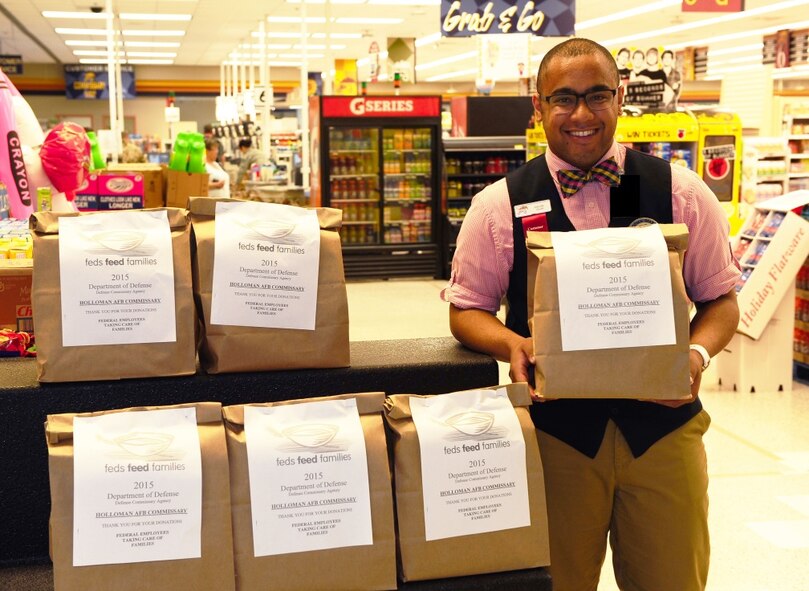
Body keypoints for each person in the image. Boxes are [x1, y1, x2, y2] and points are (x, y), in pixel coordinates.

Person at [442, 38, 740, 591]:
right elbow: (467, 310)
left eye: (597, 95)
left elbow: (720, 300)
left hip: (664, 433)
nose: (581, 114)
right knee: (556, 582)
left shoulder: (680, 193)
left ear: (621, 98)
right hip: (554, 437)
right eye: (563, 99)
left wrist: (696, 355)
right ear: (538, 106)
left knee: (673, 579)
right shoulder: (498, 205)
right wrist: (512, 344)